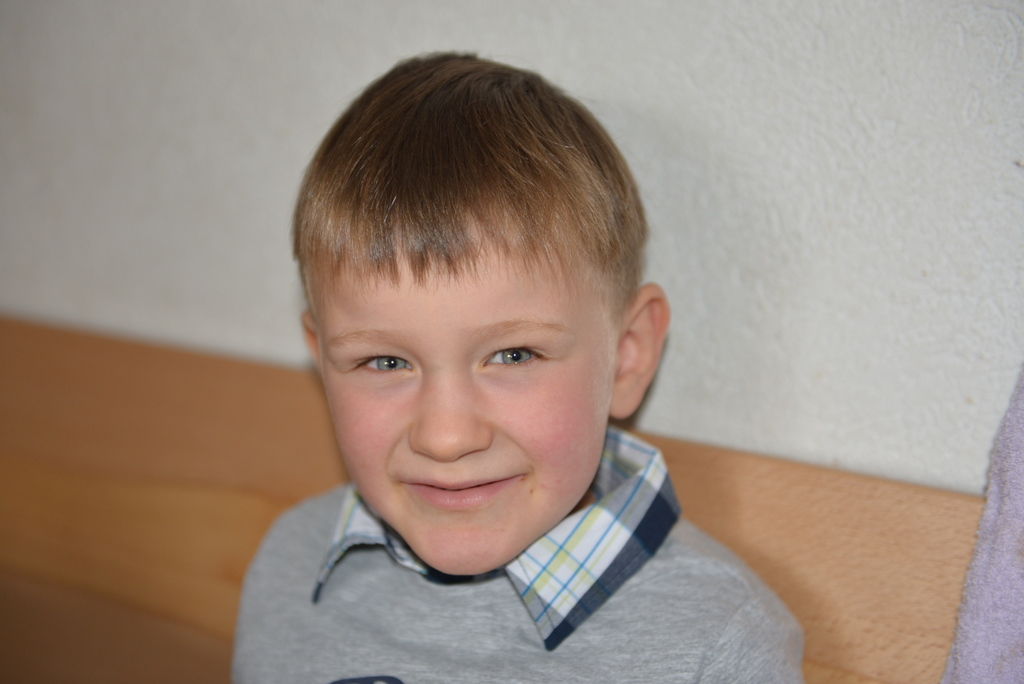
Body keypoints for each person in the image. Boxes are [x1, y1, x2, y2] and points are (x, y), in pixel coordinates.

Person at [233, 52, 803, 683]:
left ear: (627, 355)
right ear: (322, 359)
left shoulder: (715, 645)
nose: (446, 437)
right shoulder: (288, 566)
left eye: (513, 355)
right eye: (385, 361)